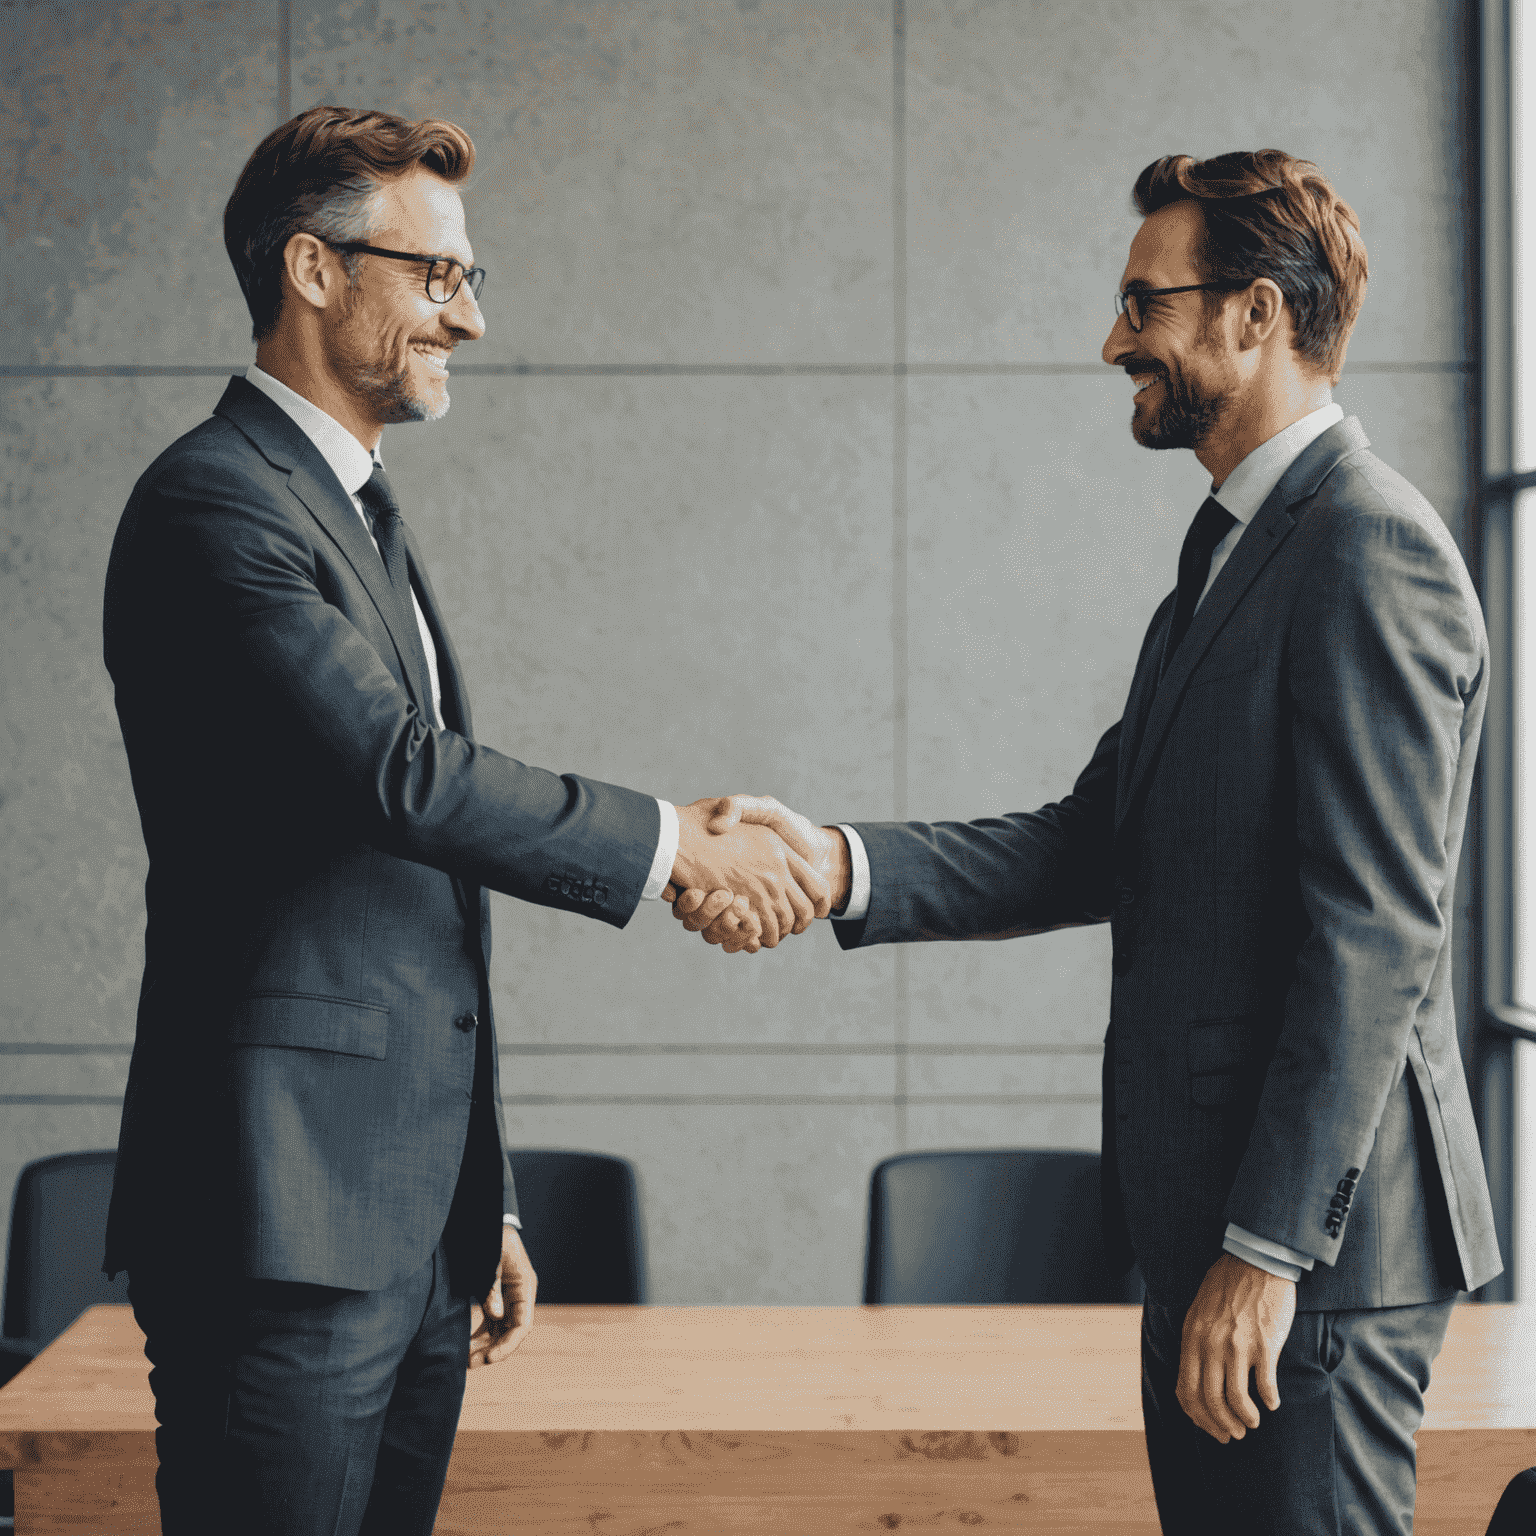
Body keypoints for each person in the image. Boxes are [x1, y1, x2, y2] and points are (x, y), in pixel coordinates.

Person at [673, 150, 1503, 1533]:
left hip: (1308, 1261)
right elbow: (1091, 842)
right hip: (1217, 1236)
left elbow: (1375, 935)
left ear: (1253, 313)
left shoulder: (1366, 546)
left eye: (1144, 301)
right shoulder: (1236, 550)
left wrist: (1263, 1250)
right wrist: (832, 863)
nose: (1115, 340)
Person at [101, 104, 827, 1536]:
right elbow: (401, 777)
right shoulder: (214, 507)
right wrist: (676, 850)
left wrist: (474, 1201)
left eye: (468, 279)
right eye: (438, 276)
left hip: (401, 1232)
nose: (471, 319)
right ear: (313, 271)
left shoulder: (352, 509)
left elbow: (408, 897)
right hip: (280, 1226)